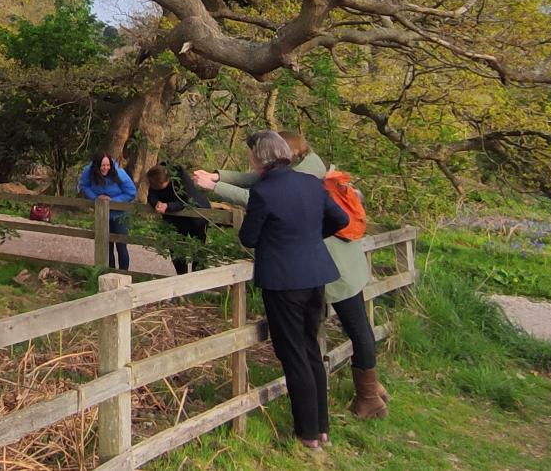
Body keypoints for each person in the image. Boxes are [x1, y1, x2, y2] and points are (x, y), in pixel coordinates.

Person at [194, 130, 387, 419]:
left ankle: (369, 397)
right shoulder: (304, 165)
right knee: (325, 337)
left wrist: (215, 188)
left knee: (354, 330)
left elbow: (257, 195)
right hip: (330, 265)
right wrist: (219, 177)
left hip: (335, 268)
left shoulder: (306, 174)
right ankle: (367, 393)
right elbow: (257, 180)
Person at [232, 130, 349, 450]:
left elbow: (249, 238)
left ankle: (307, 432)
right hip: (315, 277)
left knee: (293, 353)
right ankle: (321, 428)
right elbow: (340, 218)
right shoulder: (312, 183)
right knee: (310, 350)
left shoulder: (264, 192)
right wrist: (310, 237)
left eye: (252, 155)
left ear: (259, 158)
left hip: (284, 282)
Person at [144, 164, 211, 274]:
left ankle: (199, 277)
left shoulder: (181, 179)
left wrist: (168, 206)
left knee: (198, 247)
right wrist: (156, 203)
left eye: (160, 187)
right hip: (174, 220)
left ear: (166, 181)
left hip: (196, 215)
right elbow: (152, 195)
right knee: (175, 247)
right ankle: (181, 277)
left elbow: (187, 201)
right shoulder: (155, 176)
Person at [79, 153, 138, 271]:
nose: (105, 168)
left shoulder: (119, 173)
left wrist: (112, 201)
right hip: (102, 214)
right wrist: (95, 198)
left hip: (119, 214)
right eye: (102, 165)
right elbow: (84, 185)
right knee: (106, 245)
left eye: (107, 165)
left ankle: (123, 274)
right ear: (96, 166)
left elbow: (131, 192)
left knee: (121, 245)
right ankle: (108, 272)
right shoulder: (88, 171)